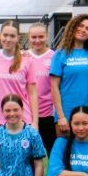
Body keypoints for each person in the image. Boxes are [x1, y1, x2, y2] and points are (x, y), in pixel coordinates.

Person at [51, 14, 88, 137]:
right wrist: (61, 116)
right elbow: (54, 87)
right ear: (73, 27)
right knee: (66, 155)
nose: (83, 30)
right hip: (66, 117)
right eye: (81, 26)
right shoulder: (60, 54)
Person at [0, 20, 39, 131]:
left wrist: (35, 122)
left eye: (12, 36)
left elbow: (33, 93)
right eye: (5, 35)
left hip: (21, 119)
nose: (8, 39)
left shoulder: (27, 60)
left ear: (18, 38)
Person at [27, 22, 57, 155]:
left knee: (54, 154)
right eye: (34, 37)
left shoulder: (55, 56)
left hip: (49, 114)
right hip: (28, 115)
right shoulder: (23, 57)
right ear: (29, 38)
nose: (37, 40)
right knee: (29, 156)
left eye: (41, 36)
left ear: (47, 36)